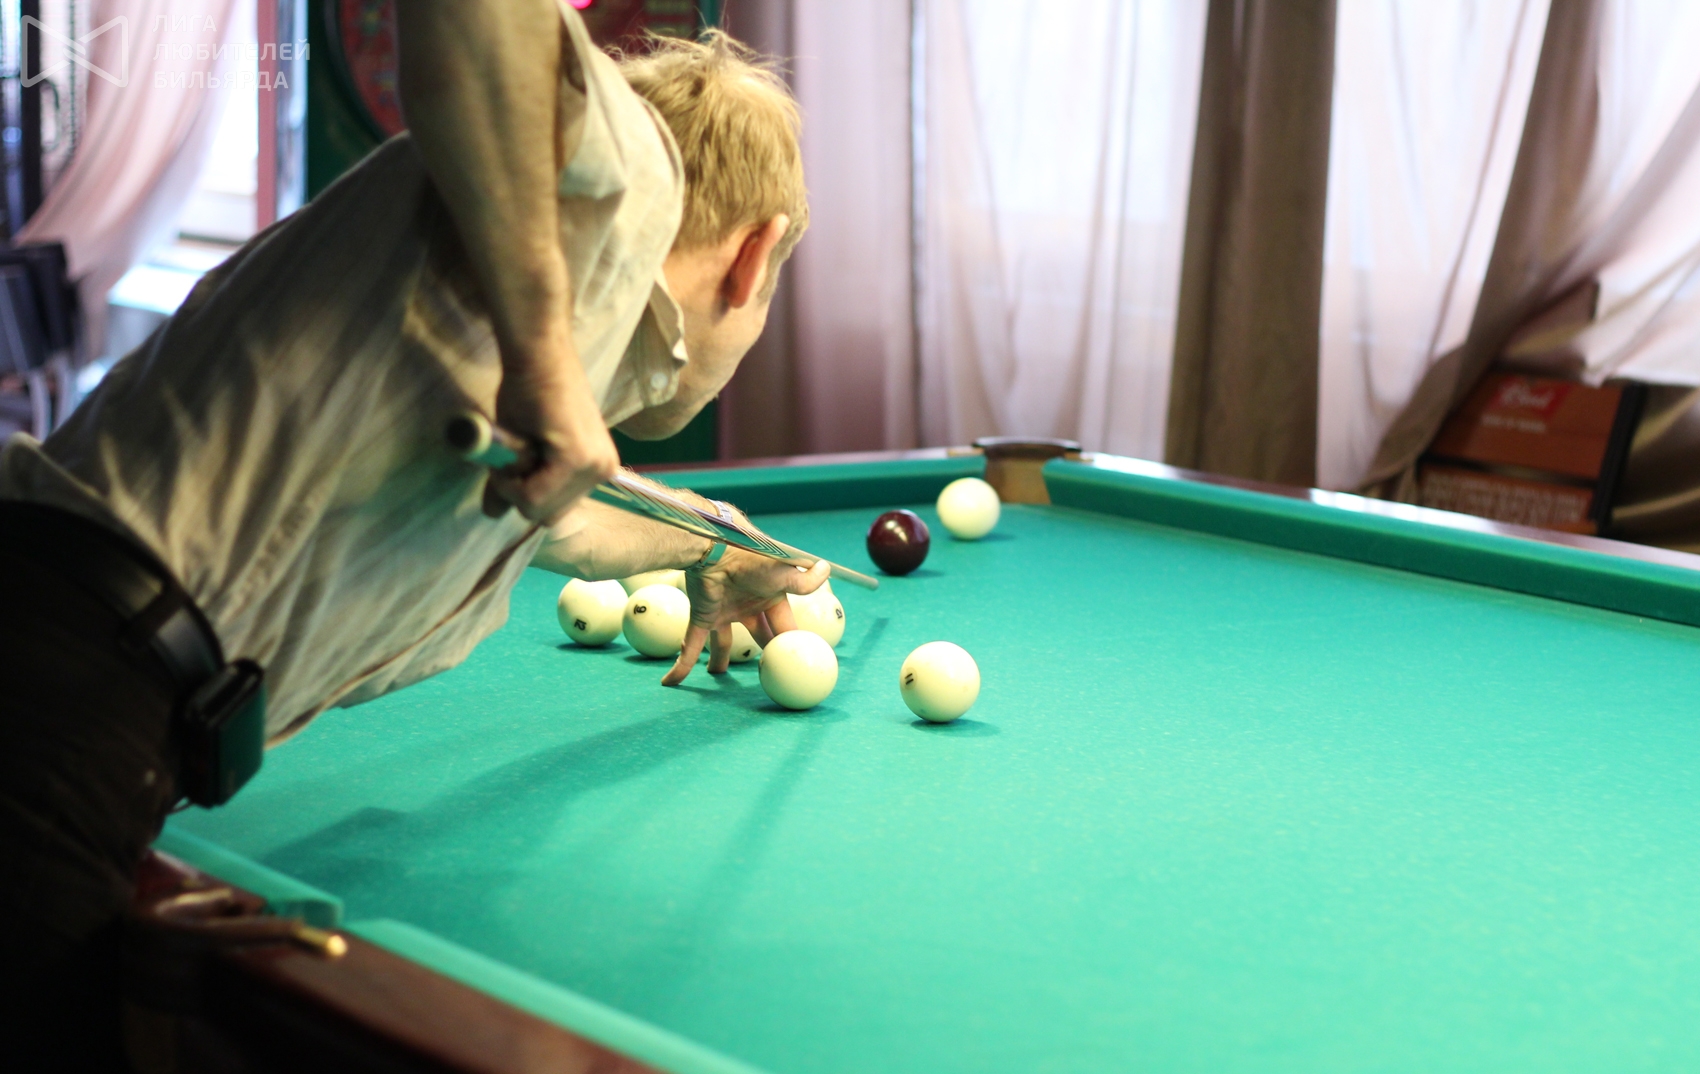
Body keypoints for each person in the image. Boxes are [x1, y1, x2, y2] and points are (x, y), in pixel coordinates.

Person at [0, 2, 819, 1067]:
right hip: (57, 692)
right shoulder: (630, 174)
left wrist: (711, 547)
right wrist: (544, 359)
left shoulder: (524, 267)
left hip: (73, 675)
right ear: (754, 256)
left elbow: (566, 523)